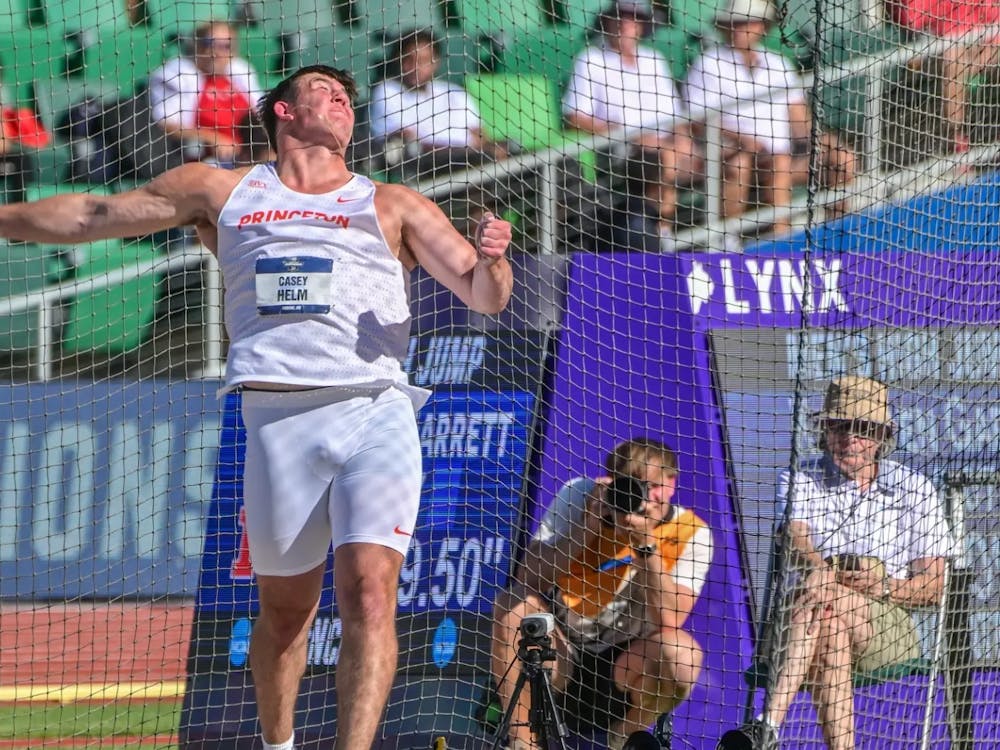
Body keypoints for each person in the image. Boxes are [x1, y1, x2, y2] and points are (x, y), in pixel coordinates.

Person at [0, 64, 513, 750]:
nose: (341, 99)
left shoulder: (392, 202)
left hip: (375, 410)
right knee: (286, 615)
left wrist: (494, 259)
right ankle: (279, 744)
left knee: (368, 592)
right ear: (282, 110)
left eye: (347, 95)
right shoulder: (222, 189)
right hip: (276, 420)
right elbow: (94, 214)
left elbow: (485, 295)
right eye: (325, 89)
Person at [719, 376, 954, 750]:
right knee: (828, 627)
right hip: (809, 616)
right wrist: (819, 567)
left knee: (825, 604)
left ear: (881, 435)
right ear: (823, 429)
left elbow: (935, 586)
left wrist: (884, 586)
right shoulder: (800, 477)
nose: (848, 438)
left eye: (861, 428)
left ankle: (766, 724)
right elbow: (794, 536)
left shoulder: (915, 489)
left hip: (885, 621)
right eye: (838, 426)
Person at [492, 438, 712, 750]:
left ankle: (621, 739)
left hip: (626, 666)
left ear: (671, 483)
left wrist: (645, 544)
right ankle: (523, 742)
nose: (640, 497)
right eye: (629, 485)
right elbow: (527, 577)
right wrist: (586, 529)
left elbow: (670, 619)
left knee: (682, 655)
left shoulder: (692, 531)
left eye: (651, 486)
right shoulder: (581, 495)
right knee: (512, 606)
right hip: (562, 650)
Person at [684, 0, 799, 234]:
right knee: (740, 163)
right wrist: (743, 139)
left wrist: (814, 140)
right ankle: (729, 240)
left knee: (840, 157)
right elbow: (696, 121)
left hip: (780, 152)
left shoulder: (780, 64)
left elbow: (799, 115)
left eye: (747, 22)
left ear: (762, 27)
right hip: (728, 149)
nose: (739, 28)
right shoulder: (707, 63)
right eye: (734, 23)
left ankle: (837, 235)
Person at [562, 0, 700, 189]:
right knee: (662, 161)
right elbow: (575, 117)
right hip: (621, 148)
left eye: (633, 18)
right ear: (607, 21)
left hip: (666, 144)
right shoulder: (591, 59)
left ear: (642, 26)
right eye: (619, 17)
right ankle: (661, 218)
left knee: (709, 157)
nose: (624, 23)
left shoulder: (654, 59)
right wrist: (629, 136)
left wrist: (683, 140)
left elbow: (677, 115)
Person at [368, 28, 509, 181]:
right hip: (426, 165)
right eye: (408, 60)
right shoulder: (386, 91)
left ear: (435, 63)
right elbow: (405, 139)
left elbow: (479, 134)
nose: (415, 67)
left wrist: (487, 148)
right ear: (398, 60)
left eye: (423, 61)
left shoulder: (453, 92)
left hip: (471, 157)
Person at [146, 20, 269, 169]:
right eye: (210, 43)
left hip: (250, 153)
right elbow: (165, 124)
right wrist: (212, 137)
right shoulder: (178, 75)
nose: (217, 52)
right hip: (207, 160)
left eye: (226, 46)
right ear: (196, 45)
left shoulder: (241, 73)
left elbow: (260, 113)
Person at [888, 0, 1000, 153]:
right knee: (954, 58)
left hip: (981, 48)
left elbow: (995, 22)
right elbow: (911, 19)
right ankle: (956, 140)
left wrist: (979, 62)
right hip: (944, 49)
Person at [594, 145, 679, 252]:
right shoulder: (638, 228)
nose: (675, 193)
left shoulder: (638, 218)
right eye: (671, 184)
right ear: (657, 187)